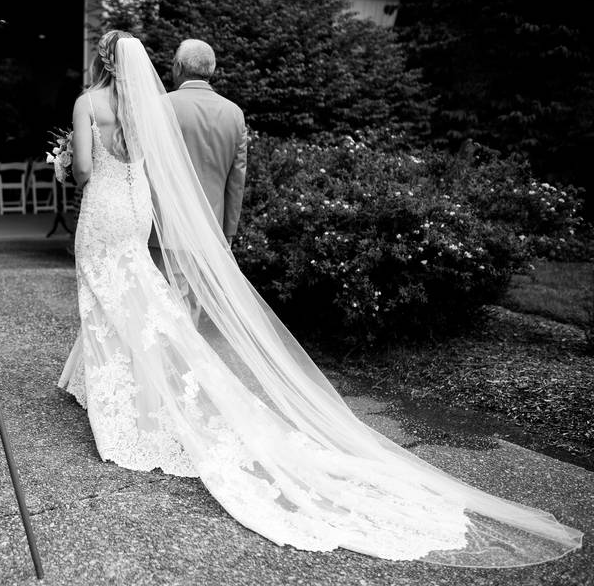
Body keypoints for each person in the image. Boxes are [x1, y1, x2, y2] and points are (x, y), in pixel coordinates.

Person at [57, 30, 581, 567]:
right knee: (155, 311)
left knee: (137, 307)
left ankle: (146, 392)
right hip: (192, 223)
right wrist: (227, 232)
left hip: (142, 222)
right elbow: (234, 176)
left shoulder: (142, 104)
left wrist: (66, 165)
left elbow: (88, 169)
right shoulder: (223, 113)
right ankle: (141, 384)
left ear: (172, 66)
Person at [167, 39, 247, 245]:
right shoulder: (234, 113)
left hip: (166, 229)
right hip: (213, 233)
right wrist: (229, 231)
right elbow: (236, 180)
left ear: (179, 67)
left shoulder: (161, 105)